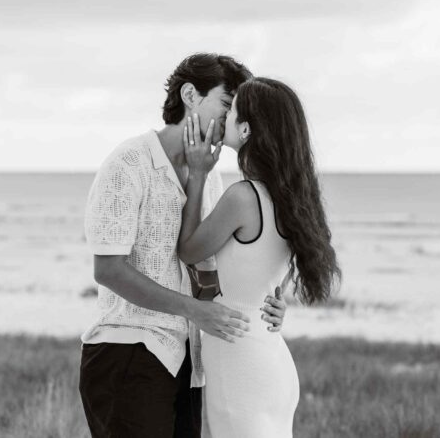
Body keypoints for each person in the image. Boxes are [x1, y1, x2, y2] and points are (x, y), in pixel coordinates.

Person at [79, 53, 288, 438]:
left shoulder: (209, 177)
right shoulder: (129, 162)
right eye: (227, 104)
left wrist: (267, 301)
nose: (233, 120)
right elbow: (108, 269)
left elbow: (206, 268)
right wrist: (195, 310)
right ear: (190, 94)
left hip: (189, 360)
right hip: (128, 351)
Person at [177, 77, 341, 437]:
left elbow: (188, 249)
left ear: (247, 129)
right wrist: (275, 301)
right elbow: (269, 278)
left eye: (231, 110)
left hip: (241, 363)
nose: (224, 116)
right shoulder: (293, 199)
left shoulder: (243, 197)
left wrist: (199, 174)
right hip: (269, 359)